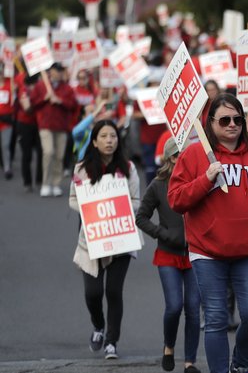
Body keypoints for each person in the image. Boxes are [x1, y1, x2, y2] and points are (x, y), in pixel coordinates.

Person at [168, 93, 248, 373]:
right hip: (207, 252)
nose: (232, 124)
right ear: (210, 123)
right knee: (217, 319)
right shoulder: (195, 154)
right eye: (224, 120)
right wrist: (205, 179)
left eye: (237, 119)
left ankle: (240, 364)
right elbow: (176, 200)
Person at [68, 120, 140, 360]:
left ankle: (112, 341)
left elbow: (136, 200)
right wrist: (93, 207)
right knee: (93, 293)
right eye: (104, 136)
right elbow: (73, 199)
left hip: (121, 238)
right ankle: (98, 326)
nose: (110, 140)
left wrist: (120, 207)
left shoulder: (128, 168)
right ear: (95, 141)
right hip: (92, 239)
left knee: (113, 291)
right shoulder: (82, 168)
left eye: (113, 136)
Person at [136, 138, 202, 373]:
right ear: (169, 159)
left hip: (195, 253)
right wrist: (163, 234)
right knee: (174, 306)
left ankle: (190, 361)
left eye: (184, 155)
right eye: (176, 156)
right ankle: (169, 347)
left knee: (193, 308)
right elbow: (141, 217)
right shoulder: (158, 184)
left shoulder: (198, 181)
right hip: (168, 254)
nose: (181, 159)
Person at [30, 62, 77, 197]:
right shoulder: (41, 86)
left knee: (59, 156)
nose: (60, 73)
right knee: (48, 152)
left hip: (61, 126)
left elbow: (73, 105)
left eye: (61, 70)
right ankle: (45, 183)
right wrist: (44, 99)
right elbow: (33, 103)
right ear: (51, 72)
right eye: (57, 70)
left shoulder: (67, 88)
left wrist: (60, 101)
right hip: (45, 125)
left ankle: (56, 184)